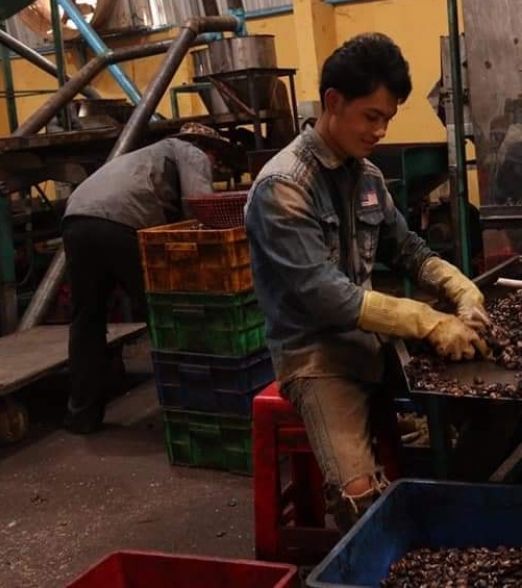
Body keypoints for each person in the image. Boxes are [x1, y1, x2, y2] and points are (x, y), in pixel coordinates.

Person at [245, 33, 489, 531]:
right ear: (333, 102)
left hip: (373, 341)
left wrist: (458, 286)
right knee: (358, 498)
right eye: (371, 116)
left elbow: (408, 249)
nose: (380, 131)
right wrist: (426, 320)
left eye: (387, 120)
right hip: (315, 356)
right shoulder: (283, 187)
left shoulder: (369, 177)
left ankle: (463, 505)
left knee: (490, 392)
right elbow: (323, 295)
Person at [61, 122, 228, 434]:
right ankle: (189, 410)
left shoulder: (146, 156)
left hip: (76, 219)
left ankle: (82, 415)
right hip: (120, 224)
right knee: (164, 315)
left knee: (87, 321)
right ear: (208, 148)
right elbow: (200, 208)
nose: (214, 166)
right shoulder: (191, 151)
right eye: (216, 159)